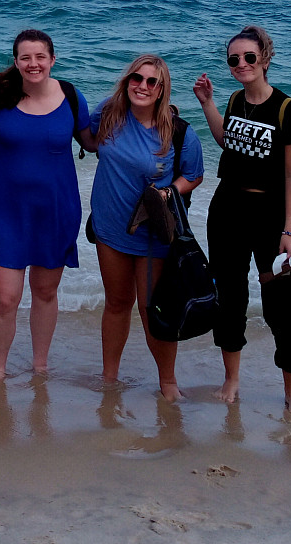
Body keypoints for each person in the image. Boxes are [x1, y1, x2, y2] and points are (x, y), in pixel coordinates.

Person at [193, 24, 291, 415]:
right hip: (227, 209)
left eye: (248, 57)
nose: (241, 64)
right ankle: (231, 379)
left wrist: (288, 231)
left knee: (283, 304)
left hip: (270, 216)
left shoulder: (289, 110)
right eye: (234, 59)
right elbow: (229, 142)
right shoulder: (233, 100)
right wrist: (208, 104)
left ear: (265, 58)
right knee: (229, 298)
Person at [0, 30, 94, 379]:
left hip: (55, 210)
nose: (33, 64)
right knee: (6, 298)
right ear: (16, 61)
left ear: (52, 59)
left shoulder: (71, 96)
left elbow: (91, 140)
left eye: (40, 56)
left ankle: (39, 368)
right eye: (25, 57)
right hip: (5, 209)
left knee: (45, 292)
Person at [87, 54, 204, 402]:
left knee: (152, 307)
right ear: (127, 81)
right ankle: (109, 378)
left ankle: (167, 382)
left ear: (162, 89)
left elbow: (193, 175)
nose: (142, 86)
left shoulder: (178, 131)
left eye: (152, 81)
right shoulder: (108, 113)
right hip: (110, 227)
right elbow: (87, 139)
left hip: (155, 234)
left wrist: (168, 191)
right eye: (136, 78)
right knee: (117, 303)